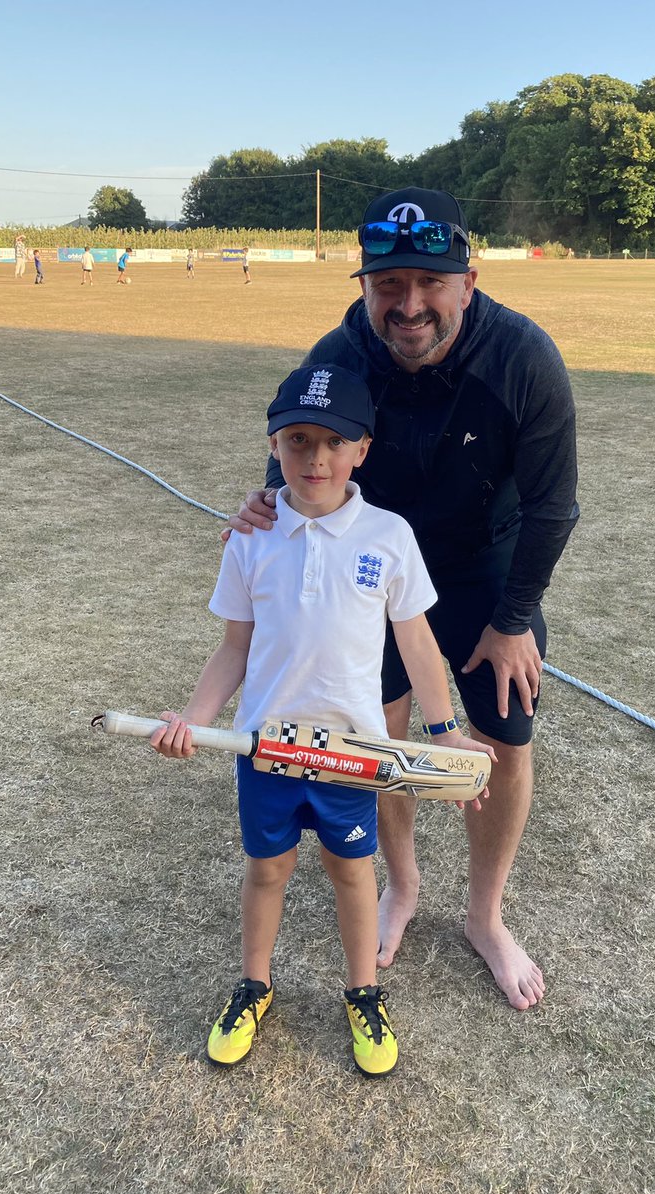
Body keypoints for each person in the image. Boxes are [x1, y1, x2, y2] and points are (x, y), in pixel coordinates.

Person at [228, 186, 579, 1011]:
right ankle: (403, 883)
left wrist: (513, 619)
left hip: (480, 565)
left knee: (502, 733)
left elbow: (554, 505)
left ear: (468, 277)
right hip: (373, 568)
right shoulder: (339, 354)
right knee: (375, 733)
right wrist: (266, 499)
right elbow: (300, 452)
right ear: (363, 286)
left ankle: (486, 917)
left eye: (430, 282)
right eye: (389, 284)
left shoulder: (523, 358)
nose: (409, 305)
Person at [151, 363, 493, 1077]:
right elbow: (234, 649)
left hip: (353, 754)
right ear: (273, 444)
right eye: (297, 439)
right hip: (265, 748)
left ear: (362, 449)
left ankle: (364, 992)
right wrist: (193, 718)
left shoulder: (388, 536)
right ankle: (254, 984)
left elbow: (418, 646)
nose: (315, 458)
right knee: (267, 869)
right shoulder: (252, 536)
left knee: (350, 870)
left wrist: (442, 731)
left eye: (334, 441)